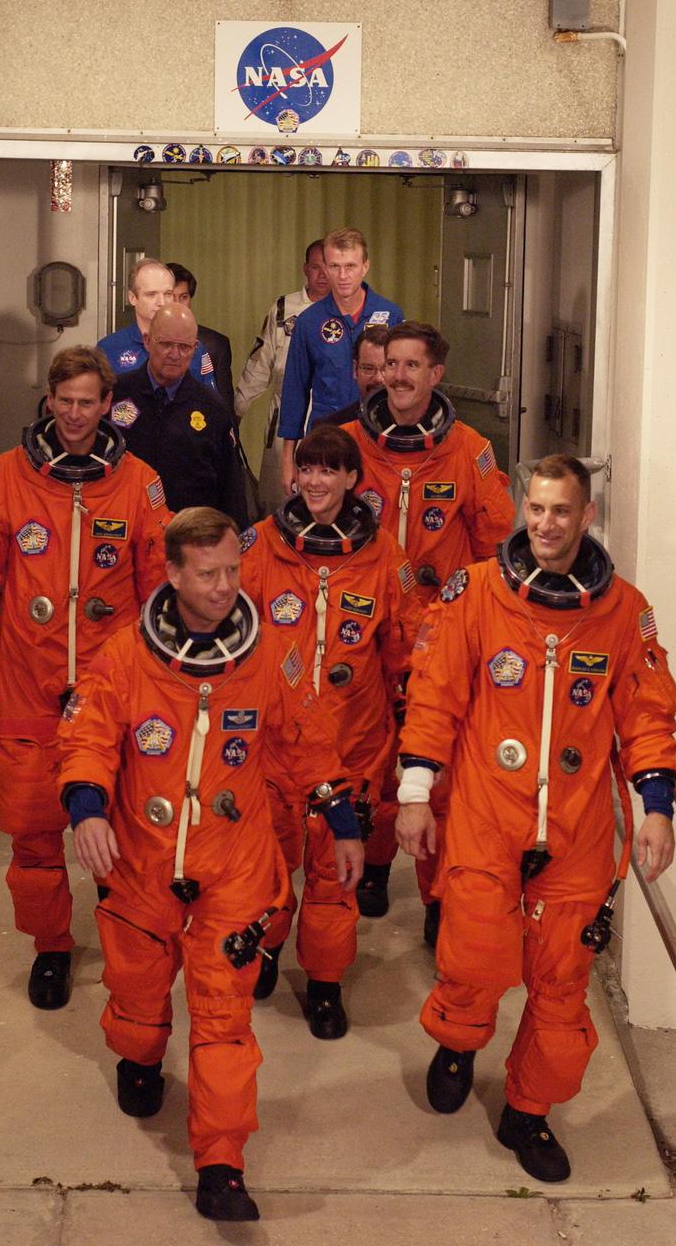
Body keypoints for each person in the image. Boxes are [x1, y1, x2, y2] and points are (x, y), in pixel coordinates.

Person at [56, 507, 363, 1223]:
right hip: (143, 861)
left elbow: (306, 744)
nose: (225, 586)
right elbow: (88, 735)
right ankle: (138, 1053)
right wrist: (87, 807)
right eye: (208, 573)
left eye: (232, 570)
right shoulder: (126, 655)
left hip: (235, 865)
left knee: (225, 1021)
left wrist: (341, 820)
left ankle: (221, 1162)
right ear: (171, 573)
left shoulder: (271, 656)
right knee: (137, 990)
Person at [396, 454, 676, 1184]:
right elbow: (435, 693)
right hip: (490, 816)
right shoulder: (479, 592)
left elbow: (647, 715)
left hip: (578, 833)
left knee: (560, 987)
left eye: (562, 511)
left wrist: (655, 810)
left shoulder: (624, 611)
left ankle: (529, 1111)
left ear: (587, 517)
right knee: (472, 955)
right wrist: (416, 793)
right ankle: (459, 1043)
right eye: (536, 509)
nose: (546, 524)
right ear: (523, 510)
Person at [0, 345, 171, 1010]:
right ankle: (51, 946)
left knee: (122, 826)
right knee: (33, 829)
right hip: (27, 682)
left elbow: (158, 583)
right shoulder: (8, 478)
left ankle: (122, 930)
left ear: (108, 406)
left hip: (112, 687)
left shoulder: (140, 484)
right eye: (64, 401)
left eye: (87, 403)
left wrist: (162, 672)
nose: (74, 415)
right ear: (49, 401)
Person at [239, 424, 421, 1037]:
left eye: (327, 471)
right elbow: (229, 639)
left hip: (353, 746)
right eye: (306, 469)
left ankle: (323, 983)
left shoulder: (385, 557)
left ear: (350, 480)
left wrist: (414, 733)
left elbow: (406, 652)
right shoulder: (261, 546)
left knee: (333, 877)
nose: (313, 480)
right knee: (260, 871)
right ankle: (264, 948)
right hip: (273, 747)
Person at [341, 321, 515, 929]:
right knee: (372, 762)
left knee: (436, 771)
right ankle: (379, 865)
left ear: (435, 374)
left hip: (441, 632)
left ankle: (440, 896)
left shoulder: (469, 448)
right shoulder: (346, 443)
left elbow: (495, 547)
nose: (400, 376)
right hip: (364, 628)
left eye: (413, 365)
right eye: (391, 364)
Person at [278, 228, 405, 495]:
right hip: (327, 441)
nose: (343, 276)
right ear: (325, 267)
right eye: (335, 266)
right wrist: (288, 459)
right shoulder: (310, 321)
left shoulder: (391, 315)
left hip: (380, 439)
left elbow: (404, 384)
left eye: (350, 266)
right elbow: (294, 390)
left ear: (365, 267)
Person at [110, 303, 248, 528]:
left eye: (184, 347)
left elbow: (230, 488)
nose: (174, 354)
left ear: (195, 348)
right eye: (165, 344)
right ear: (147, 341)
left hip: (189, 535)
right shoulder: (116, 394)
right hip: (127, 528)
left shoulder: (212, 407)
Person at [234, 239, 329, 513]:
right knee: (277, 501)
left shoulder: (346, 311)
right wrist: (235, 412)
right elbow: (259, 365)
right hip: (284, 416)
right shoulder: (284, 309)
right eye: (315, 267)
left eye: (328, 267)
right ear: (305, 269)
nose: (322, 275)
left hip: (328, 414)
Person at [97, 258, 218, 395]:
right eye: (151, 294)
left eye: (168, 294)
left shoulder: (192, 348)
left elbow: (210, 405)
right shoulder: (108, 348)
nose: (161, 302)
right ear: (132, 298)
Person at [167, 262, 234, 409]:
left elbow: (225, 409)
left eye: (183, 297)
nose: (177, 304)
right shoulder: (146, 340)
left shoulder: (214, 345)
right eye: (171, 297)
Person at [326, 324, 389, 425]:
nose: (378, 378)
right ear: (355, 369)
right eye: (368, 368)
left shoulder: (420, 429)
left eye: (385, 369)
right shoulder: (332, 428)